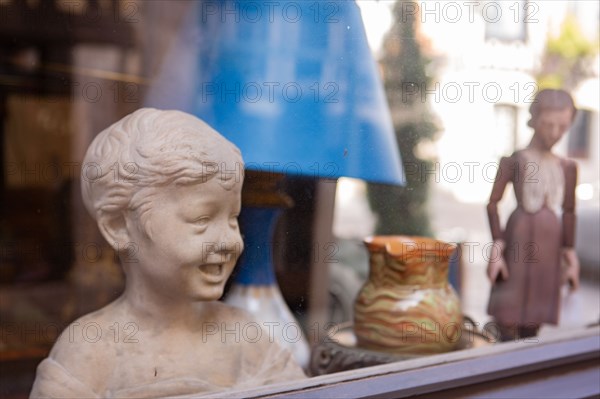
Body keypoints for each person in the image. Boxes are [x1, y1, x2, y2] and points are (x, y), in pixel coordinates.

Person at [30, 109, 304, 398]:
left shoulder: (247, 336)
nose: (228, 240)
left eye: (233, 218)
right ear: (119, 226)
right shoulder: (90, 350)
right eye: (201, 219)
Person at [486, 89, 580, 341]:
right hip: (518, 241)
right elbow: (493, 203)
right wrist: (497, 248)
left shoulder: (568, 167)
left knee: (534, 317)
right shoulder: (514, 160)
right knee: (508, 313)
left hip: (550, 249)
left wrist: (569, 254)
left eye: (562, 126)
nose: (554, 133)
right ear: (534, 120)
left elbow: (570, 210)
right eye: (548, 124)